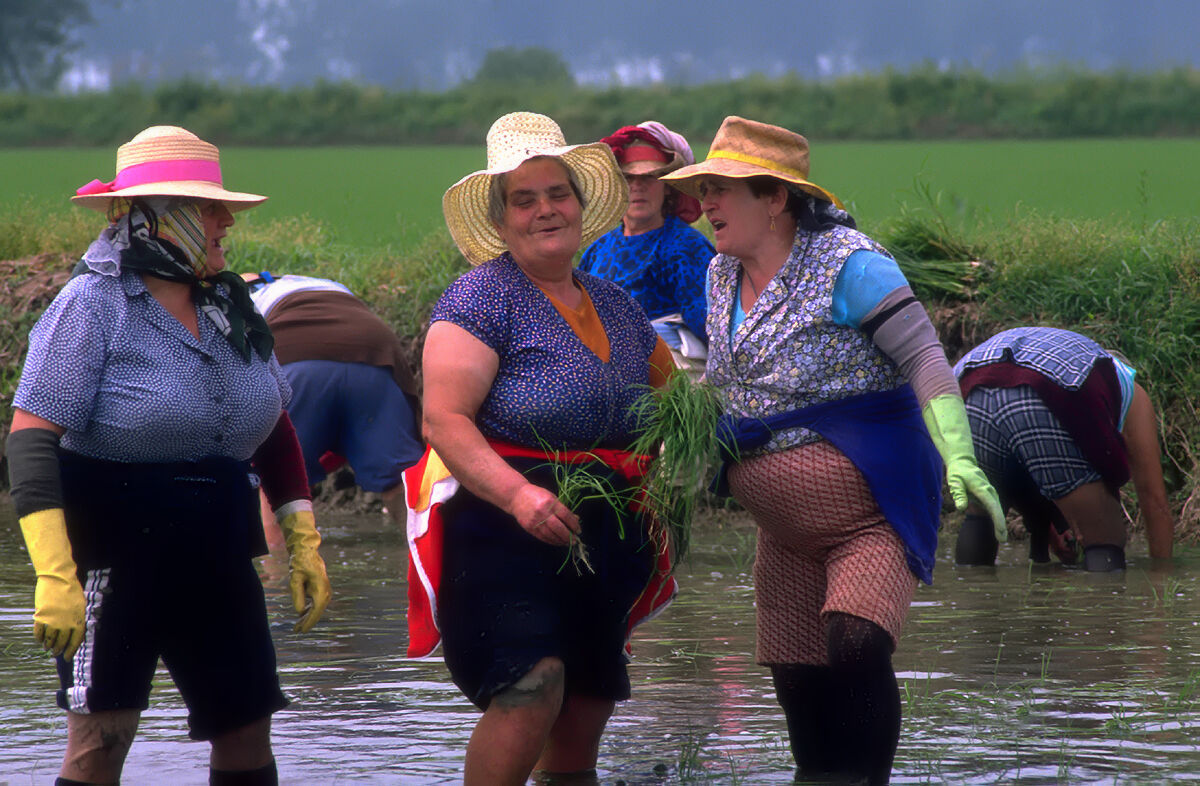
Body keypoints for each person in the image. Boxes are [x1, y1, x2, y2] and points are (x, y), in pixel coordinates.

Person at [660, 116, 1004, 785]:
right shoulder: (719, 274)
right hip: (784, 533)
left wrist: (959, 454)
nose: (706, 203)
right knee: (795, 674)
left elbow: (926, 359)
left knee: (855, 642)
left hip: (868, 513)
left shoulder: (851, 266)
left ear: (776, 198)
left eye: (723, 189)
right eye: (704, 187)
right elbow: (727, 384)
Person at [5, 125, 332, 786]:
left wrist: (302, 537)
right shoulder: (92, 307)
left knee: (245, 730)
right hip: (115, 557)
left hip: (218, 552)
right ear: (149, 219)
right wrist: (54, 575)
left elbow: (270, 421)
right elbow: (31, 437)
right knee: (103, 739)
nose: (225, 220)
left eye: (222, 206)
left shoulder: (229, 306)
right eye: (207, 207)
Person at [409, 111, 679, 785]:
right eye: (523, 201)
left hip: (604, 537)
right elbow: (444, 421)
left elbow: (677, 406)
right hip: (502, 531)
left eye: (557, 194)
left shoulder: (617, 305)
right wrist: (519, 496)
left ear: (581, 206)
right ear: (501, 222)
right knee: (532, 687)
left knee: (585, 707)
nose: (545, 210)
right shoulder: (478, 301)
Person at [953, 326, 1175, 570]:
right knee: (1106, 535)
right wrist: (1161, 573)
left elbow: (1023, 457)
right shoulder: (1130, 389)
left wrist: (1050, 527)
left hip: (967, 385)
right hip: (1051, 380)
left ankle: (968, 601)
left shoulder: (1092, 368)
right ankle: (1107, 601)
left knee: (984, 510)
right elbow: (1154, 499)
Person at [242, 271, 424, 527]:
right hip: (374, 354)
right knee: (400, 479)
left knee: (276, 484)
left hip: (297, 359)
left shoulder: (238, 297)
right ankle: (427, 561)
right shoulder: (324, 285)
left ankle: (275, 567)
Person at [578, 121, 714, 376]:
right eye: (629, 178)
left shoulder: (685, 246)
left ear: (667, 186)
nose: (638, 186)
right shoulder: (598, 250)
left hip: (670, 378)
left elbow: (709, 325)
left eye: (649, 177)